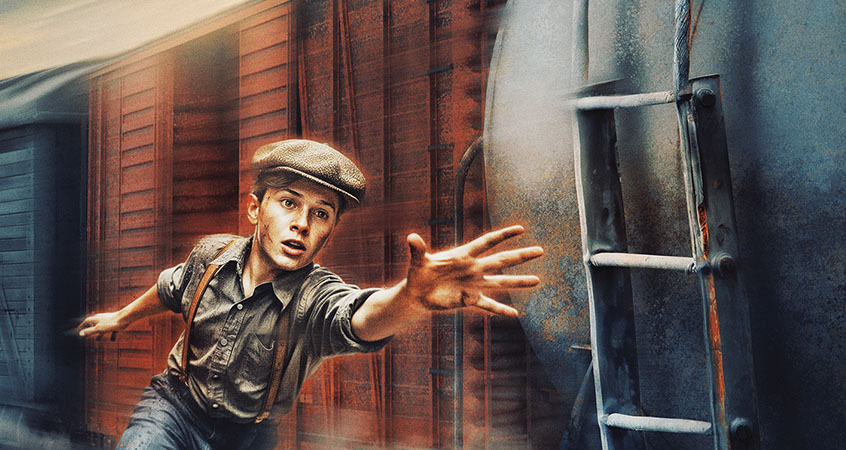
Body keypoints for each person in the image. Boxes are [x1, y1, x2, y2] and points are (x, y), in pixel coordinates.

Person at [76, 139, 543, 449]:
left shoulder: (316, 297)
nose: (302, 222)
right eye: (289, 203)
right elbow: (169, 288)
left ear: (329, 231)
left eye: (321, 214)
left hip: (250, 436)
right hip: (175, 406)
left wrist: (410, 298)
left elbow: (359, 317)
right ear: (256, 209)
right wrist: (120, 317)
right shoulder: (211, 256)